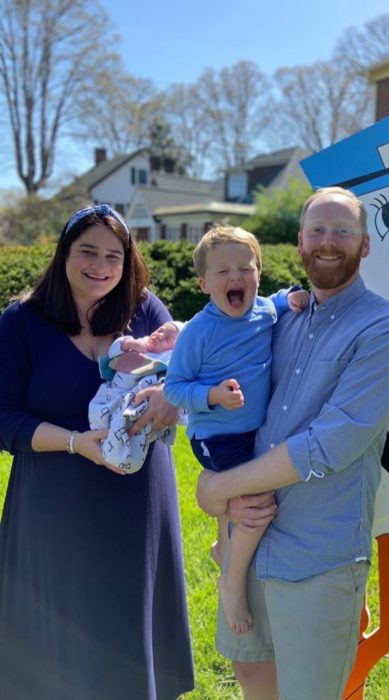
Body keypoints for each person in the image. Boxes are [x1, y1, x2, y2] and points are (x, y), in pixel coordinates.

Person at [196, 187, 389, 700]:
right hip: (248, 543)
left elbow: (329, 445)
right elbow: (214, 355)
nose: (328, 241)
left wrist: (219, 486)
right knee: (252, 677)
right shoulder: (279, 317)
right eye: (317, 230)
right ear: (298, 242)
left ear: (365, 245)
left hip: (317, 555)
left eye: (343, 230)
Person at [0, 204, 194, 700]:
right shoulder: (22, 321)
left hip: (136, 502)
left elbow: (191, 372)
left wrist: (172, 396)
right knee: (55, 641)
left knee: (128, 630)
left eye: (115, 255)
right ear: (64, 252)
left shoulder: (147, 310)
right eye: (88, 251)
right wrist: (72, 443)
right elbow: (4, 418)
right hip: (52, 505)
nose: (101, 265)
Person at [164, 225, 309, 637]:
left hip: (254, 432)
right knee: (256, 504)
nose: (235, 278)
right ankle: (232, 581)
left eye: (245, 268)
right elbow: (175, 388)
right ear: (203, 282)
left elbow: (277, 301)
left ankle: (222, 548)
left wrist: (291, 298)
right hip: (216, 437)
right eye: (223, 271)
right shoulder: (199, 332)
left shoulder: (264, 310)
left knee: (251, 497)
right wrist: (212, 395)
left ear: (258, 275)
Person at [89, 320, 188, 474]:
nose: (160, 335)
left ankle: (123, 454)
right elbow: (113, 351)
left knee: (132, 427)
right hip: (114, 392)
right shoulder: (141, 343)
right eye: (161, 330)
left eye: (168, 338)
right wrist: (128, 344)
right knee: (96, 411)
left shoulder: (167, 360)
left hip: (136, 400)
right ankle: (103, 436)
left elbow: (181, 378)